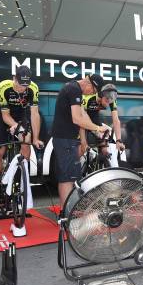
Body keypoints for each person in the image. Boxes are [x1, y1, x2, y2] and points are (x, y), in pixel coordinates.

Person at [53, 74, 111, 208]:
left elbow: (83, 114)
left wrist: (91, 134)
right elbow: (77, 119)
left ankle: (65, 212)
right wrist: (97, 127)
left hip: (68, 139)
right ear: (90, 84)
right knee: (67, 179)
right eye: (94, 91)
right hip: (65, 139)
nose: (92, 93)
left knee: (69, 177)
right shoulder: (74, 90)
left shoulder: (73, 88)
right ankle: (66, 214)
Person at [0, 66, 42, 210]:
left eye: (25, 86)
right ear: (14, 78)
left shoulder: (33, 88)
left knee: (27, 142)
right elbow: (5, 115)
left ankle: (20, 184)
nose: (22, 89)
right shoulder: (3, 87)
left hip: (21, 116)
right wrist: (14, 126)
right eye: (20, 85)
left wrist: (36, 138)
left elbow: (34, 114)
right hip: (3, 118)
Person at [79, 84, 125, 164]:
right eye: (107, 100)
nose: (109, 102)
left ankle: (104, 158)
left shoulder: (111, 100)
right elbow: (81, 120)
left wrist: (119, 140)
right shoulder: (88, 98)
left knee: (105, 142)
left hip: (94, 118)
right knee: (82, 148)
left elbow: (116, 120)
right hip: (82, 118)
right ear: (101, 95)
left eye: (110, 100)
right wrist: (83, 142)